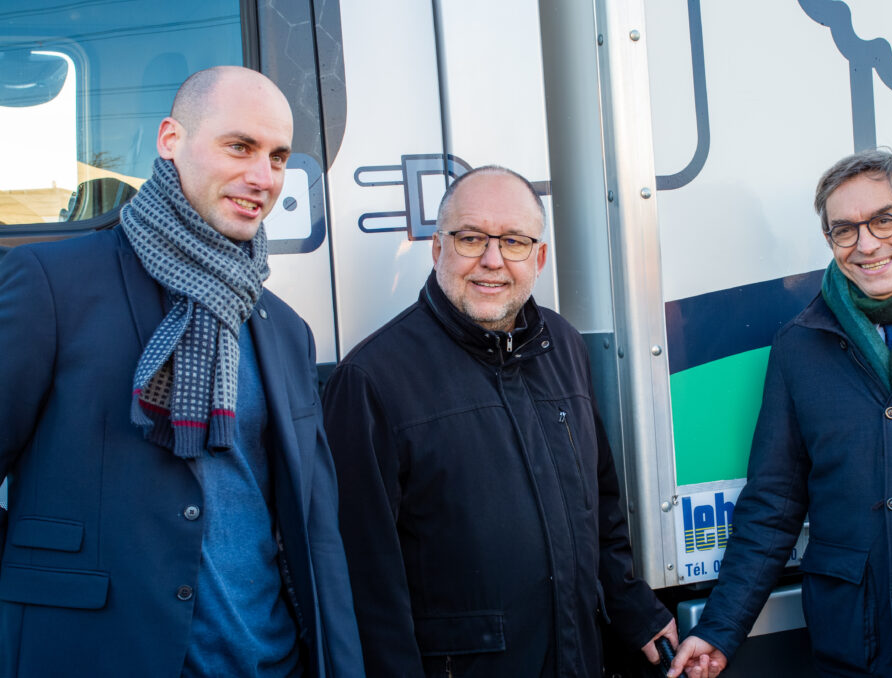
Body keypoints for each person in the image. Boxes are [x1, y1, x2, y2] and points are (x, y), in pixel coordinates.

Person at [0, 66, 364, 677]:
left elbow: (314, 530)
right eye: (239, 147)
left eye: (277, 157)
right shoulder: (52, 286)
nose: (262, 177)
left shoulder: (284, 328)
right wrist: (34, 596)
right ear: (170, 139)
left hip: (270, 662)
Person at [674, 148, 892, 678]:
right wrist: (719, 629)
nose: (866, 244)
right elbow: (773, 504)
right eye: (844, 230)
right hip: (859, 650)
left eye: (885, 220)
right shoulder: (799, 347)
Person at [322, 166, 678, 677]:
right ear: (437, 249)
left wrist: (633, 609)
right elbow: (364, 584)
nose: (492, 261)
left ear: (539, 257)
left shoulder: (563, 345)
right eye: (470, 238)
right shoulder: (371, 379)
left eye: (513, 241)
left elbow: (597, 505)